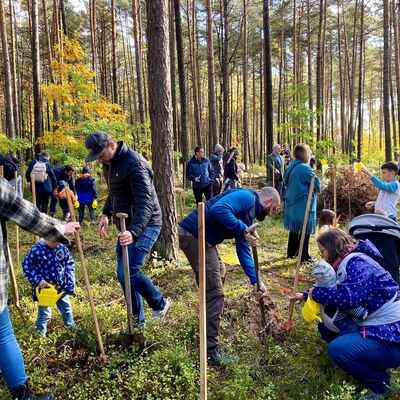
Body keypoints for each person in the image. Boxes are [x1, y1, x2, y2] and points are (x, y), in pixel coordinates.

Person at [179, 186, 280, 366]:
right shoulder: (247, 197)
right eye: (272, 210)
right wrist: (243, 229)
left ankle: (208, 318)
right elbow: (219, 209)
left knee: (220, 274)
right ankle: (210, 351)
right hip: (194, 235)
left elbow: (243, 250)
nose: (270, 214)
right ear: (268, 201)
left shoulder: (248, 214)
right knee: (216, 293)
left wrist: (257, 281)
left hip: (205, 238)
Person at [294, 228, 400, 400]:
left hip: (392, 335)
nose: (323, 257)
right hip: (378, 324)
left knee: (338, 349)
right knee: (326, 328)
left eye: (323, 252)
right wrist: (306, 295)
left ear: (332, 247)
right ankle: (362, 362)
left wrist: (316, 294)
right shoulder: (346, 262)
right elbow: (335, 286)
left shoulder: (359, 263)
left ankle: (381, 386)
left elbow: (348, 297)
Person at [0, 176, 80, 400]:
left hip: (60, 289)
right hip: (43, 291)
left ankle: (70, 325)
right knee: (3, 334)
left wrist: (69, 284)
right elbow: (26, 213)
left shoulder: (62, 251)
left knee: (64, 308)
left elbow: (69, 264)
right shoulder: (37, 251)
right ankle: (40, 333)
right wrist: (59, 228)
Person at [85, 131, 170, 327]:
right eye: (96, 157)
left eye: (101, 155)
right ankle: (136, 321)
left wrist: (133, 232)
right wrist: (106, 214)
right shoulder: (110, 164)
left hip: (146, 224)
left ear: (112, 145)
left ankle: (160, 303)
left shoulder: (135, 165)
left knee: (128, 272)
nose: (99, 160)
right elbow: (115, 193)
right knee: (123, 275)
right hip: (126, 226)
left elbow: (145, 205)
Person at [22, 238, 76, 337]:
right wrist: (38, 280)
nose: (57, 244)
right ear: (46, 237)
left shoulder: (62, 248)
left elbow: (69, 265)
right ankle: (40, 336)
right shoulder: (37, 250)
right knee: (44, 314)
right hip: (45, 290)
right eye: (54, 241)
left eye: (60, 241)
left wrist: (70, 282)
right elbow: (27, 265)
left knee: (67, 309)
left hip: (60, 287)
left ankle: (72, 330)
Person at [284, 143, 321, 263]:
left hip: (292, 202)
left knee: (295, 228)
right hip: (302, 202)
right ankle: (303, 255)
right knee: (305, 227)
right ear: (305, 154)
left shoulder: (291, 166)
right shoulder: (304, 168)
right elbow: (317, 184)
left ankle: (292, 252)